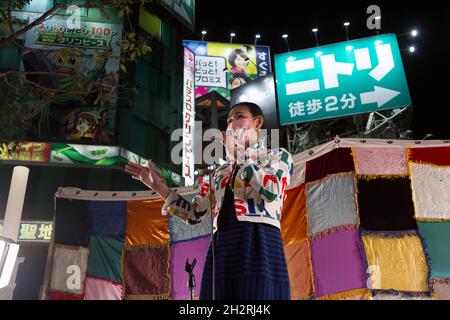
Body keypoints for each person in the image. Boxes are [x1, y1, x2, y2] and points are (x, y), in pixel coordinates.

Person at [125, 102, 294, 300]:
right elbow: (194, 215)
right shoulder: (218, 174)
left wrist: (239, 155)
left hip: (258, 240)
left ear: (257, 122)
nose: (231, 124)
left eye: (239, 117)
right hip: (222, 245)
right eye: (228, 121)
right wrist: (158, 187)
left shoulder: (277, 156)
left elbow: (271, 190)